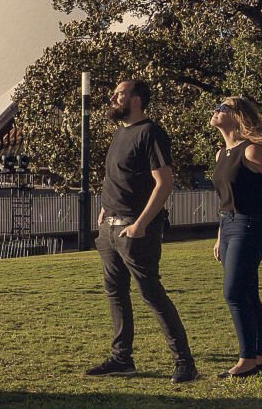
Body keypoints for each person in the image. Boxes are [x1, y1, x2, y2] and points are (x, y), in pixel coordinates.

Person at [85, 78, 197, 384]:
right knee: (115, 293)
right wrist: (105, 208)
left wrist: (140, 225)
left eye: (119, 94)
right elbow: (118, 179)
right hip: (109, 230)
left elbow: (164, 183)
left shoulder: (151, 133)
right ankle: (122, 359)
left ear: (136, 100)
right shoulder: (121, 133)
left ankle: (184, 362)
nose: (112, 98)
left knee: (151, 294)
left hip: (135, 231)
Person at [208, 94, 262, 379]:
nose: (215, 111)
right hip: (228, 225)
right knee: (249, 294)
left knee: (234, 293)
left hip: (249, 224)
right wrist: (220, 237)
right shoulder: (221, 153)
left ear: (237, 116)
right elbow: (224, 199)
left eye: (222, 107)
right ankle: (259, 354)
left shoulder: (252, 151)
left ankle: (246, 359)